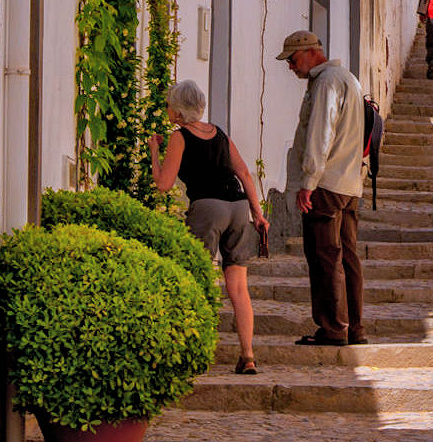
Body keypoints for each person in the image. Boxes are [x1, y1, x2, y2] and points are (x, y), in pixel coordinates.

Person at [148, 79, 270, 375]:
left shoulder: (180, 137)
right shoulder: (220, 133)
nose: (167, 111)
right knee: (239, 286)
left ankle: (196, 353)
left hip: (207, 207)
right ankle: (248, 355)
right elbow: (244, 173)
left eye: (168, 106)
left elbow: (163, 184)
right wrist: (258, 213)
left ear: (177, 112)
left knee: (199, 279)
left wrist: (154, 151)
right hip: (238, 206)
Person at [276, 30, 367, 347]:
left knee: (325, 256)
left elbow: (320, 133)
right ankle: (354, 327)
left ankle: (332, 328)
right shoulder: (349, 79)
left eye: (291, 59)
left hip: (327, 184)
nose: (290, 66)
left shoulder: (326, 82)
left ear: (309, 52)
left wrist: (308, 182)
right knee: (348, 258)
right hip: (349, 183)